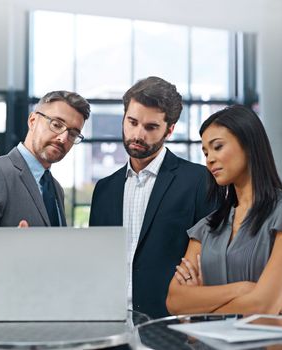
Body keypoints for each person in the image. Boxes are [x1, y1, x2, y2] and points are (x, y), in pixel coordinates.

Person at [166, 105, 282, 315]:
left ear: (249, 144)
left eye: (217, 146)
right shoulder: (207, 227)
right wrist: (244, 289)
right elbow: (175, 302)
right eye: (205, 152)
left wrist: (199, 304)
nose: (209, 159)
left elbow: (263, 307)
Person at [89, 77, 215, 318]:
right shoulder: (104, 189)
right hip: (110, 319)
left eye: (150, 127)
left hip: (171, 322)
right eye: (132, 122)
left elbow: (209, 261)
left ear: (170, 129)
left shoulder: (199, 180)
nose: (138, 134)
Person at [0, 90, 90, 307]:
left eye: (73, 133)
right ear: (33, 120)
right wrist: (11, 247)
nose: (64, 137)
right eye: (56, 124)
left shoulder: (55, 188)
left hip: (37, 319)